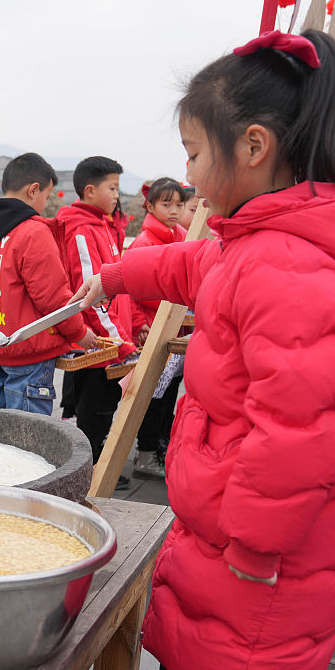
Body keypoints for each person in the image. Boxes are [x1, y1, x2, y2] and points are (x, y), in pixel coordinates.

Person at [72, 28, 335, 670]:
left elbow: (306, 435)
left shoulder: (290, 268)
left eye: (193, 154)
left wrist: (254, 547)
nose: (188, 173)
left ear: (253, 146)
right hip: (225, 527)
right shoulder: (256, 242)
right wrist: (117, 276)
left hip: (264, 549)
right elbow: (195, 264)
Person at [0, 154, 96, 415]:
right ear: (33, 190)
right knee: (28, 433)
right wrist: (79, 332)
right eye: (47, 195)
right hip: (28, 352)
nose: (46, 203)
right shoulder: (32, 231)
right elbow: (53, 298)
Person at [52, 156, 137, 462]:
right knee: (95, 415)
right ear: (89, 191)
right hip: (98, 346)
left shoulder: (101, 224)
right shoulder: (81, 230)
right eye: (112, 188)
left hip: (108, 340)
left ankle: (93, 468)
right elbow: (91, 296)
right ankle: (91, 472)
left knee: (100, 410)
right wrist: (121, 343)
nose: (117, 195)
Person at [125, 177, 189, 479]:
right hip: (152, 331)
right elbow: (131, 291)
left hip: (175, 329)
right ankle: (147, 454)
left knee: (168, 393)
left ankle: (159, 448)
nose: (174, 210)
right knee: (154, 395)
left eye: (179, 204)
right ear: (150, 206)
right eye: (167, 204)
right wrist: (139, 323)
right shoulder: (144, 242)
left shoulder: (181, 236)